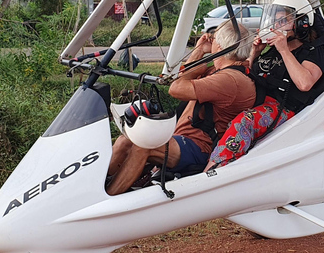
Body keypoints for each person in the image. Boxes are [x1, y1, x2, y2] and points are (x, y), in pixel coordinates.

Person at [106, 20, 255, 195]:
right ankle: (100, 186)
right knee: (126, 139)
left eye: (214, 38)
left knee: (144, 144)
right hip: (183, 138)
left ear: (221, 45)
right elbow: (183, 76)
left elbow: (175, 88)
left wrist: (200, 52)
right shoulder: (220, 72)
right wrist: (199, 50)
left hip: (200, 147)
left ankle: (109, 197)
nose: (211, 41)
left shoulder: (229, 80)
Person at [204, 0, 324, 171]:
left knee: (245, 121)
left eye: (283, 21)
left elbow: (305, 83)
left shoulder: (312, 52)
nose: (276, 26)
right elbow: (247, 75)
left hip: (283, 108)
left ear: (301, 23)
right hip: (258, 99)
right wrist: (255, 53)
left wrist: (284, 50)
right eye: (275, 20)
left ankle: (213, 170)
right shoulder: (274, 48)